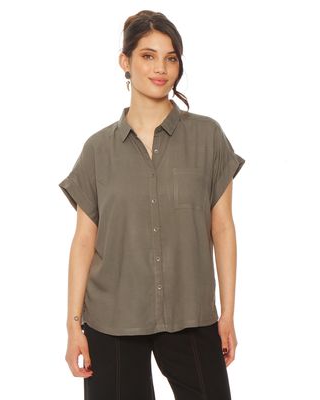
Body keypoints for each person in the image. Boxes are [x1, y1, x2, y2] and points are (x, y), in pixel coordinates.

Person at [59, 10, 245, 400]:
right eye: (148, 56)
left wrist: (227, 313)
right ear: (125, 62)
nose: (161, 68)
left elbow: (223, 228)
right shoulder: (98, 150)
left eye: (170, 58)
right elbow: (83, 242)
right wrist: (73, 326)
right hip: (112, 319)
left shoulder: (207, 137)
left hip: (191, 313)